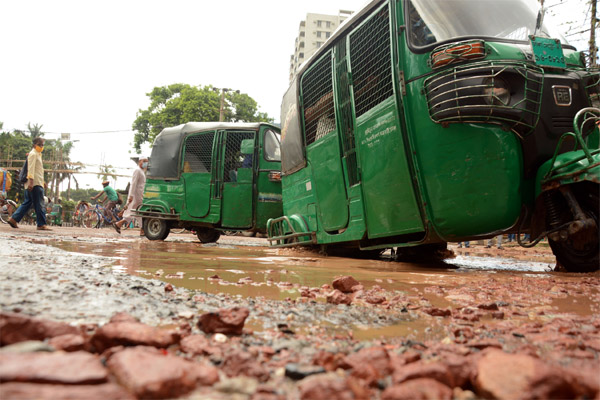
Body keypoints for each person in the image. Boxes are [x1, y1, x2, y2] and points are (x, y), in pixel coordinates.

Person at [8, 137, 52, 230]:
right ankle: (41, 224)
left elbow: (38, 171)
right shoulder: (33, 154)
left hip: (37, 182)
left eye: (42, 145)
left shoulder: (38, 154)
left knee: (28, 202)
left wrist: (42, 182)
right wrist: (31, 182)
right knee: (39, 204)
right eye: (39, 144)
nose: (41, 146)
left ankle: (14, 219)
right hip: (34, 183)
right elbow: (31, 169)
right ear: (34, 145)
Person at [113, 157, 148, 235]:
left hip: (139, 195)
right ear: (140, 162)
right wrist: (131, 196)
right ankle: (142, 229)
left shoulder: (142, 171)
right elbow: (133, 184)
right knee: (138, 211)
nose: (146, 163)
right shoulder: (137, 170)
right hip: (136, 195)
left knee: (136, 212)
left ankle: (119, 224)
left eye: (147, 161)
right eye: (144, 161)